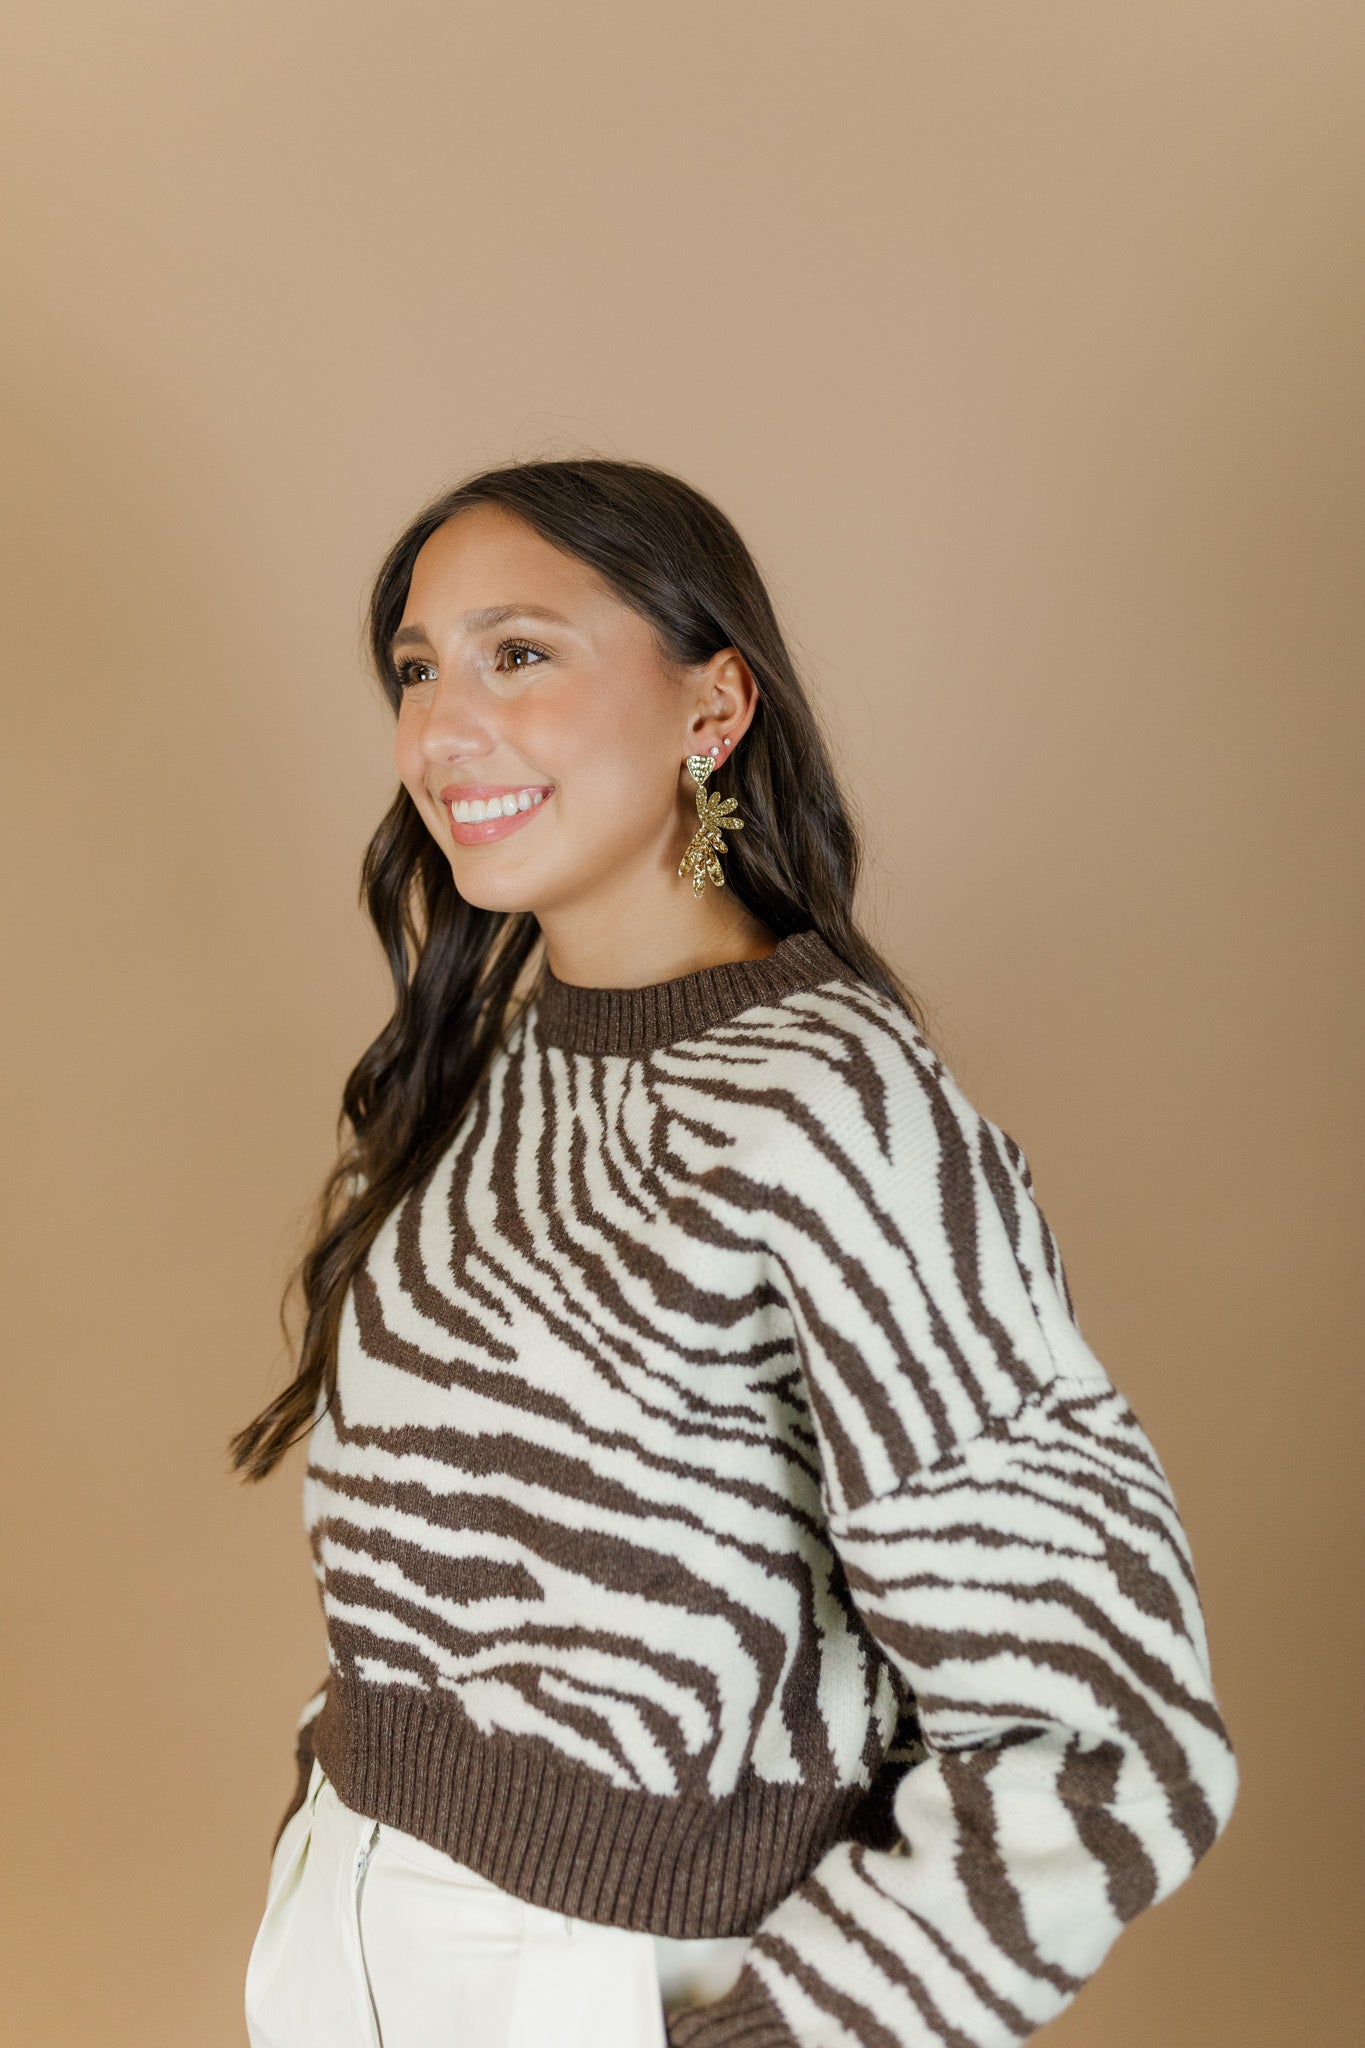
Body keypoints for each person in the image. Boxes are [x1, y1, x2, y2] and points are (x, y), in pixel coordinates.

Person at [229, 457, 1238, 2048]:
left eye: (518, 654)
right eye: (417, 670)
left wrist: (764, 2034)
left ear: (712, 707)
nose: (440, 730)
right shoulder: (496, 1065)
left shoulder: (834, 1110)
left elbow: (1110, 1744)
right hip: (347, 1947)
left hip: (610, 1986)